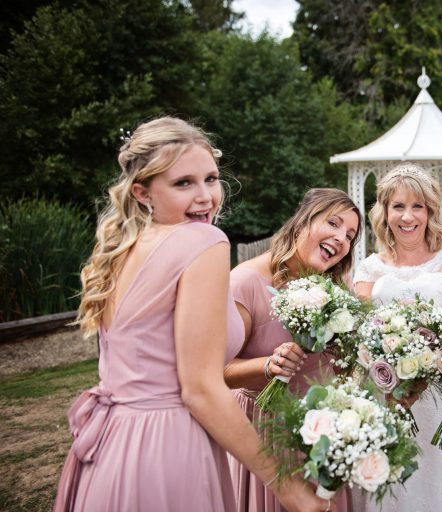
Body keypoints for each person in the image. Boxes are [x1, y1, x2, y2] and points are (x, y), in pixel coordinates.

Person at [54, 117, 331, 512]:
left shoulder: (120, 249)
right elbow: (201, 390)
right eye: (183, 183)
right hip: (168, 448)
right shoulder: (204, 242)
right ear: (142, 191)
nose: (206, 196)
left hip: (110, 447)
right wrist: (287, 486)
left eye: (211, 179)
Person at [225, 188, 361, 512]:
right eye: (333, 223)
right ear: (303, 221)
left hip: (323, 434)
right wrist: (269, 365)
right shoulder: (245, 283)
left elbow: (343, 367)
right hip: (263, 436)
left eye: (350, 235)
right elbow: (217, 372)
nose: (341, 238)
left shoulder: (338, 290)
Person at [352, 163, 442, 511]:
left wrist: (433, 357)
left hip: (439, 396)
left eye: (417, 206)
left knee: (435, 482)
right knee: (391, 482)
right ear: (385, 213)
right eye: (398, 206)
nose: (408, 216)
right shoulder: (370, 267)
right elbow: (362, 333)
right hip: (387, 394)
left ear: (430, 212)